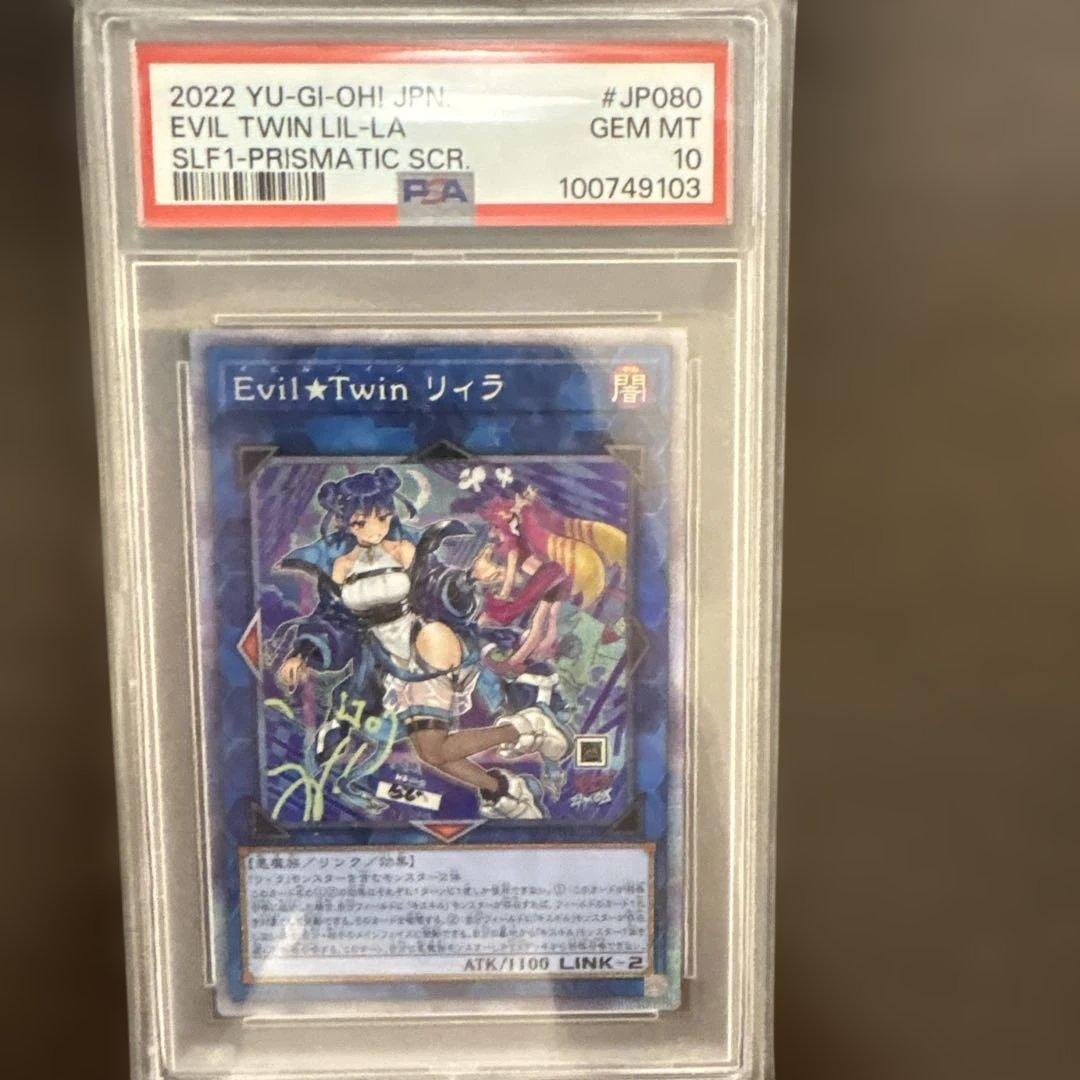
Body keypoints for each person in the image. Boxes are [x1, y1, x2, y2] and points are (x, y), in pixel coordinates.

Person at [274, 467, 571, 820]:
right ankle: (508, 777)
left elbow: (437, 587)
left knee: (432, 748)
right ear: (346, 522)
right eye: (361, 522)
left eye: (383, 518)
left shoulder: (405, 549)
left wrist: (465, 583)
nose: (375, 529)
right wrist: (303, 652)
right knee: (431, 752)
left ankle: (522, 739)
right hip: (387, 663)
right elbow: (333, 618)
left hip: (428, 643)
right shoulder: (339, 566)